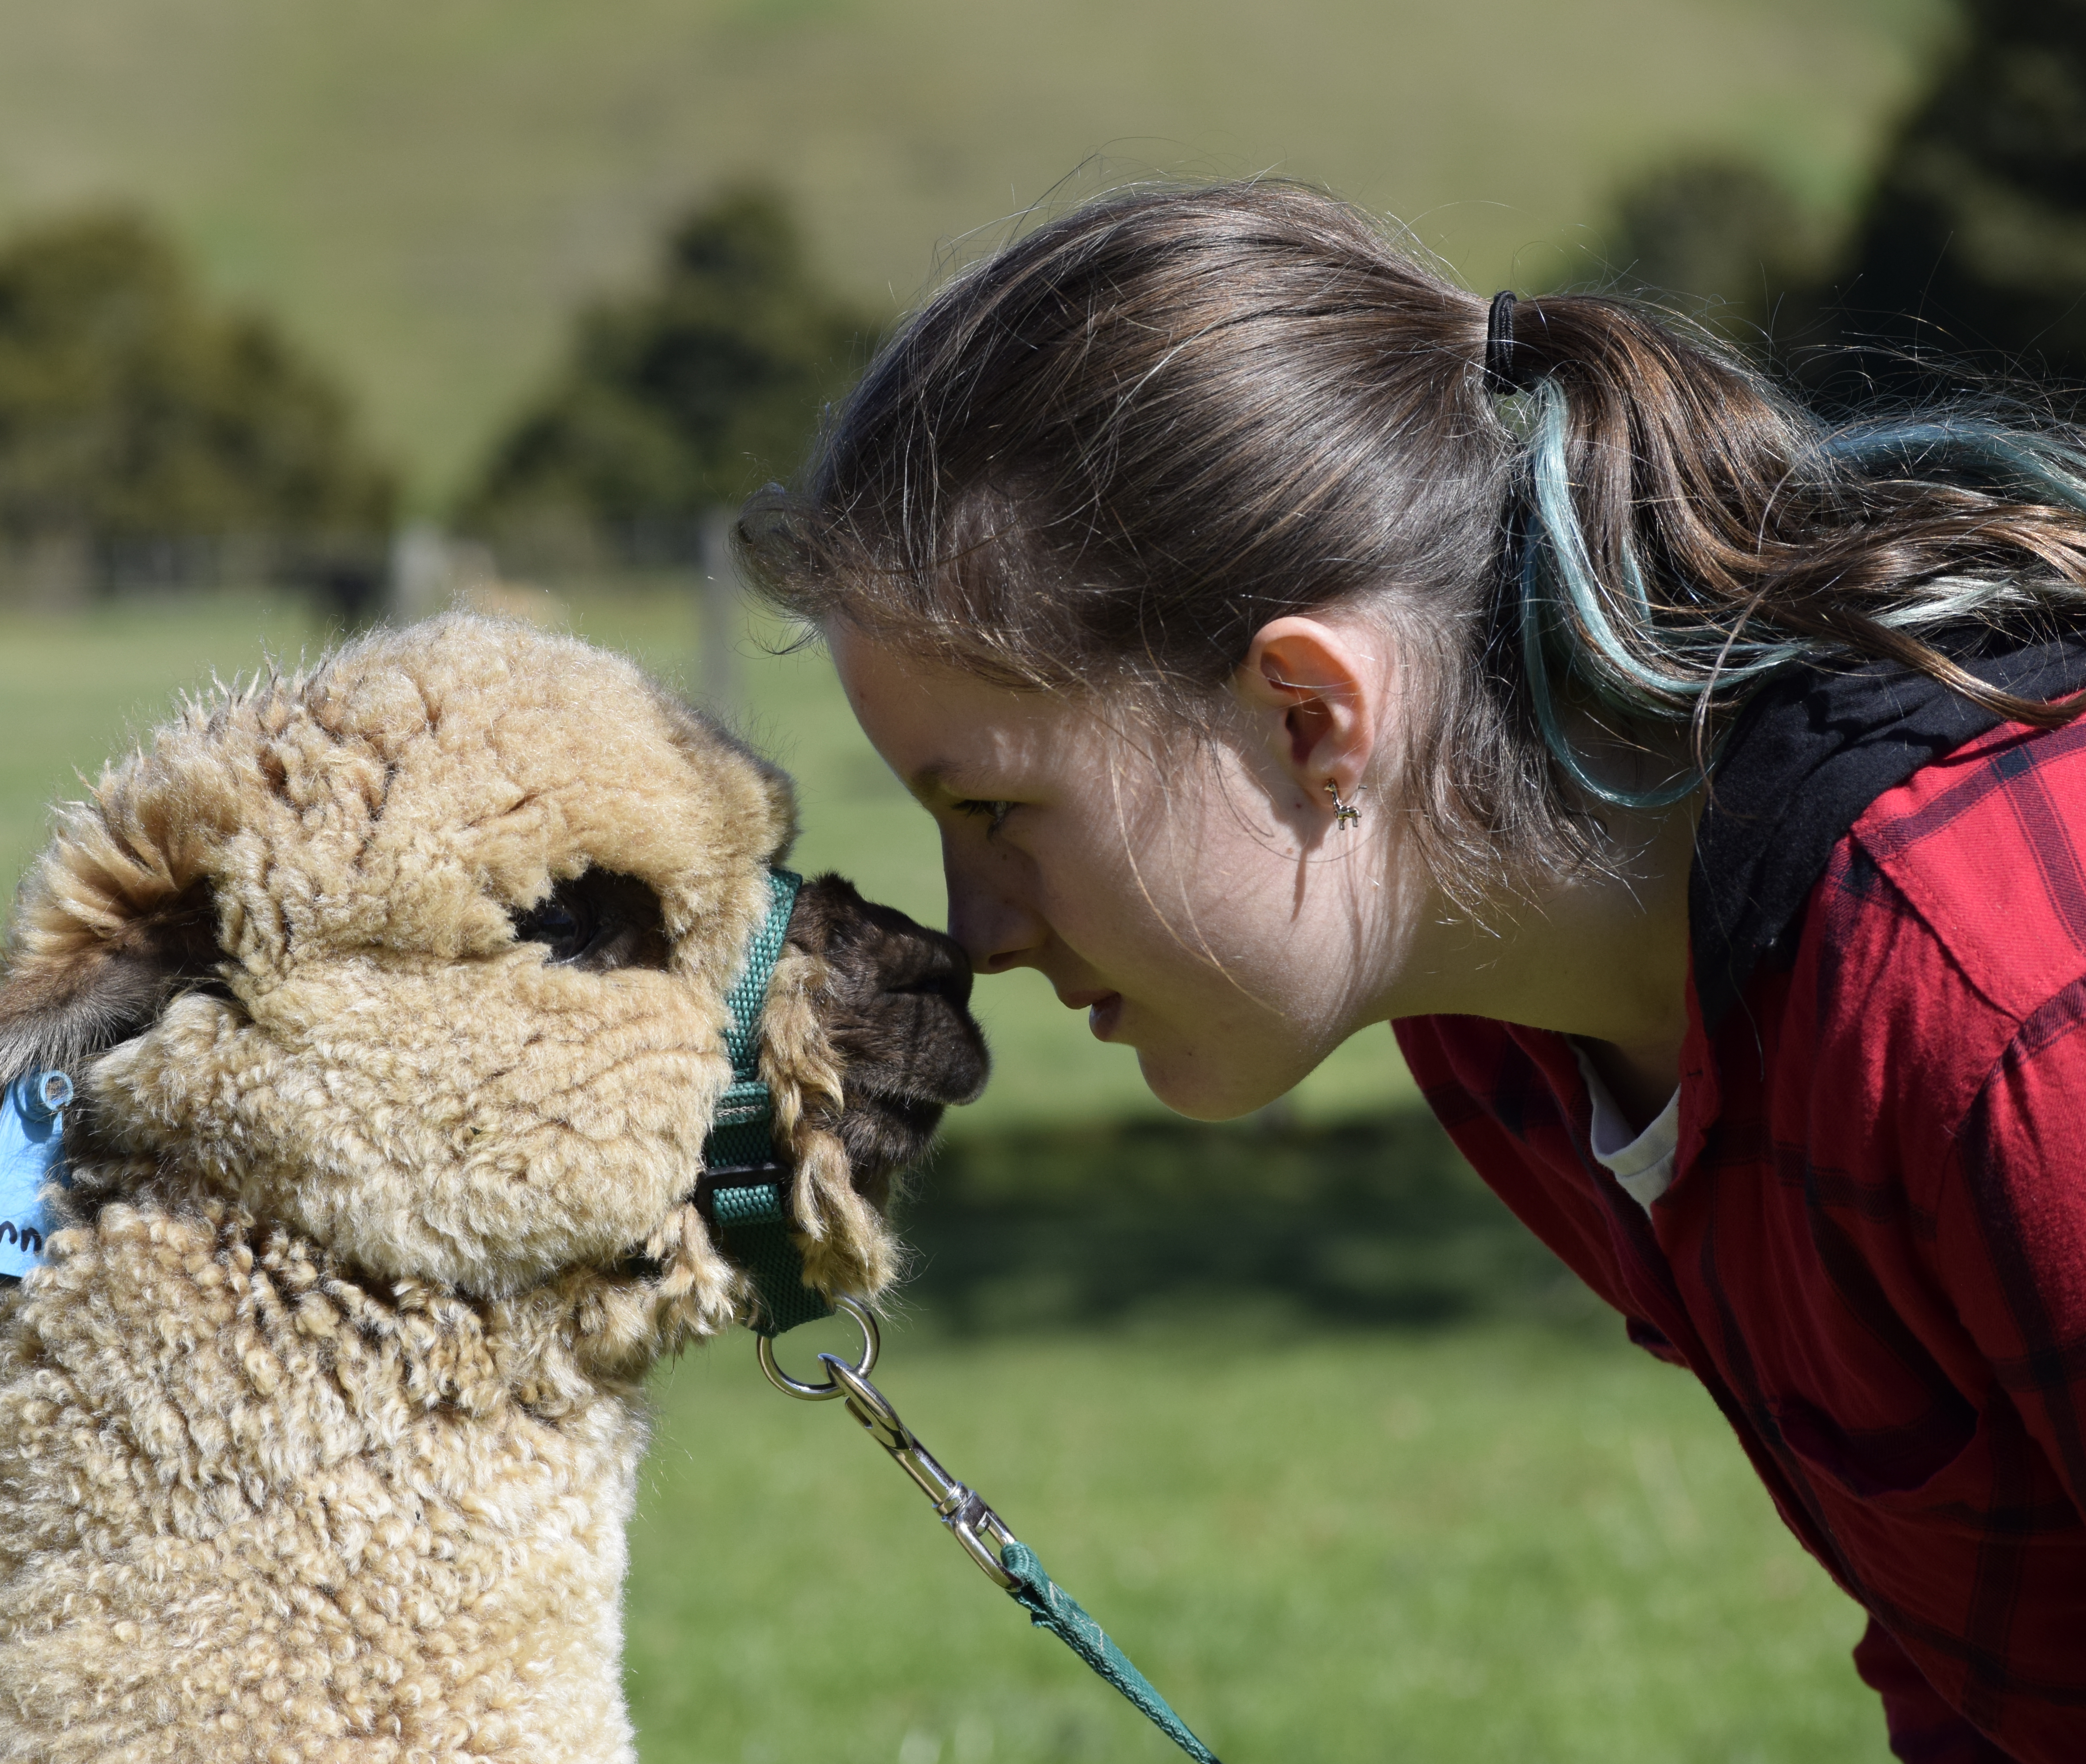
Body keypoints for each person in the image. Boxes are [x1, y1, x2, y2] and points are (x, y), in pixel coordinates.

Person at [742, 181, 2086, 1764]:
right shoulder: (1504, 1038)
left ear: (1312, 719)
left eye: (997, 810)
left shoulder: (2005, 1006)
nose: (977, 933)